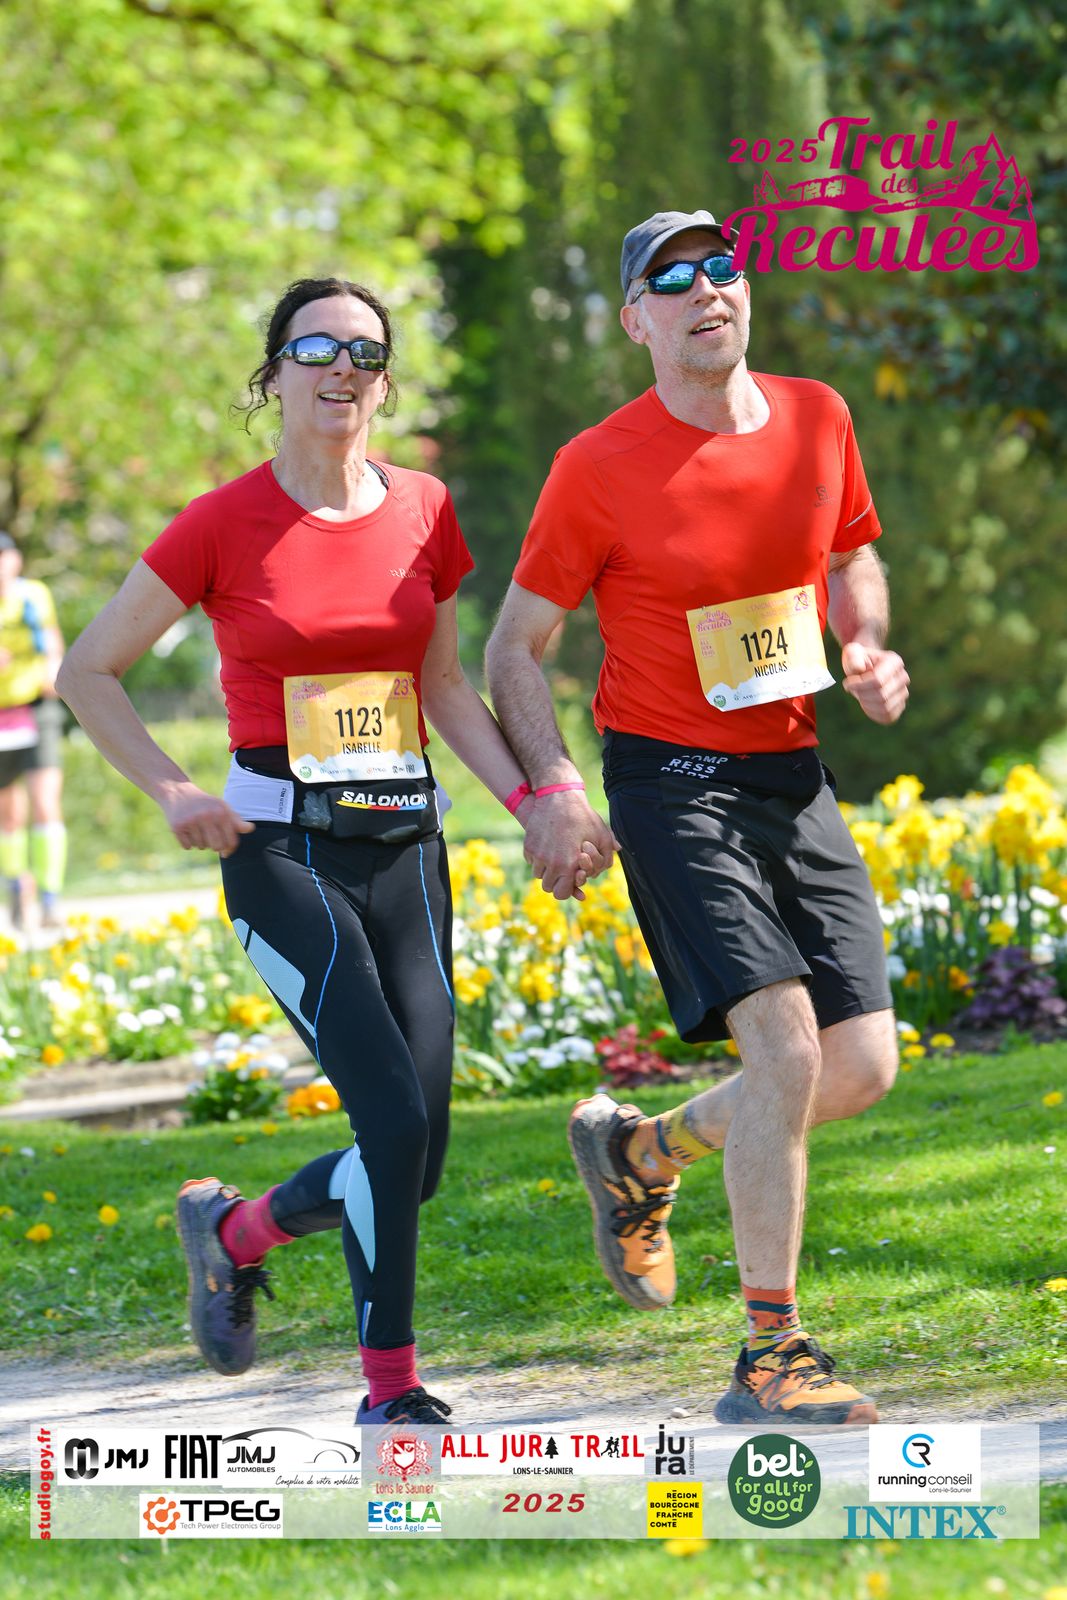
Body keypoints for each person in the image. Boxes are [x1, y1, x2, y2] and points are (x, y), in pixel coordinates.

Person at [58, 276, 595, 1427]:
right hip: (282, 852)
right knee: (388, 1127)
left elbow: (440, 685)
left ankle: (236, 1229)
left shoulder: (424, 506)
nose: (342, 368)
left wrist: (532, 801)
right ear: (274, 375)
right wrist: (173, 788)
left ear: (384, 383)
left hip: (407, 848)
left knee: (417, 1157)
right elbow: (86, 671)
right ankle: (389, 1390)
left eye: (365, 352)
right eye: (316, 349)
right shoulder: (220, 522)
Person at [486, 209, 909, 1425]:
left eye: (720, 266)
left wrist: (862, 643)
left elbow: (852, 556)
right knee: (782, 1048)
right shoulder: (597, 463)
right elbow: (514, 646)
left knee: (859, 1065)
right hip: (670, 779)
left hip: (790, 771)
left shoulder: (817, 416)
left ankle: (643, 1152)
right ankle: (769, 1354)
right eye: (670, 280)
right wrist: (554, 788)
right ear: (635, 320)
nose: (704, 289)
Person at [0, 532, 67, 929]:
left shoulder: (34, 595)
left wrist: (54, 668)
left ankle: (50, 897)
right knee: (9, 813)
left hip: (36, 709)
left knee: (46, 801)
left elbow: (51, 639)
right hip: (1, 713)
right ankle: (16, 887)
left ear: (16, 561)